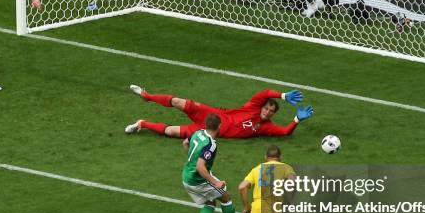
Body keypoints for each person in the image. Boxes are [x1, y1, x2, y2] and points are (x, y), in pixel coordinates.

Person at [125, 85, 313, 138]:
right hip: (212, 115)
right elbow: (264, 92)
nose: (268, 112)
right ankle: (146, 95)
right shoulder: (252, 107)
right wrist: (282, 95)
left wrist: (297, 119)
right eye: (267, 107)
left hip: (210, 132)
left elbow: (285, 132)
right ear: (263, 106)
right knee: (177, 102)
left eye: (272, 111)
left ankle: (142, 124)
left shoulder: (265, 127)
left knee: (171, 131)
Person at [182, 113, 252, 213]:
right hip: (198, 180)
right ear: (219, 126)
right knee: (226, 197)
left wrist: (192, 160)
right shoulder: (211, 145)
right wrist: (216, 182)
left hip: (186, 176)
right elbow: (200, 167)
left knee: (210, 201)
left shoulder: (198, 133)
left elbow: (185, 142)